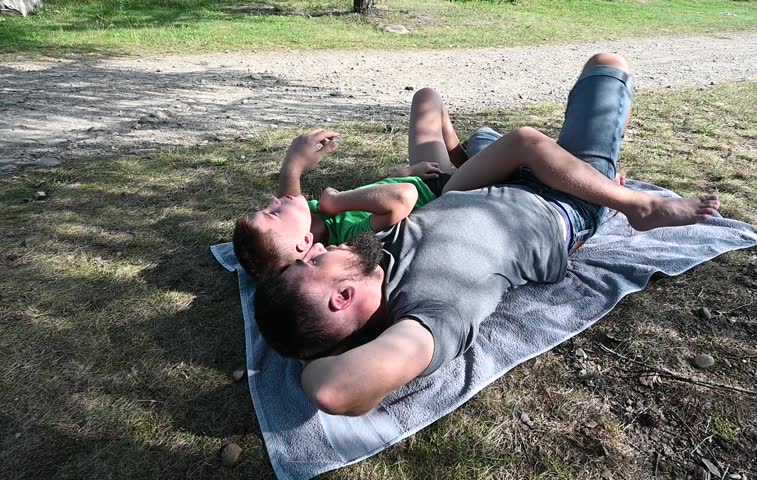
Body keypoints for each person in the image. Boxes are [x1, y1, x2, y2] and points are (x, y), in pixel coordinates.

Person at [254, 53, 721, 416]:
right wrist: (324, 354)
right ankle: (636, 206)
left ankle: (554, 160)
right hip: (564, 202)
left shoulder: (371, 255)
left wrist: (292, 171)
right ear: (342, 298)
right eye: (315, 262)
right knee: (606, 66)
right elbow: (333, 390)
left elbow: (283, 244)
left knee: (493, 136)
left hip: (490, 178)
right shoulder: (432, 310)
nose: (319, 249)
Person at [232, 93, 469, 279]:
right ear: (305, 241)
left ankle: (466, 161)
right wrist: (337, 201)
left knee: (427, 97)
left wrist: (292, 165)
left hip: (422, 174)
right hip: (447, 190)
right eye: (272, 212)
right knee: (505, 151)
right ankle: (472, 164)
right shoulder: (349, 236)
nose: (274, 200)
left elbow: (288, 203)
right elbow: (401, 197)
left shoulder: (310, 217)